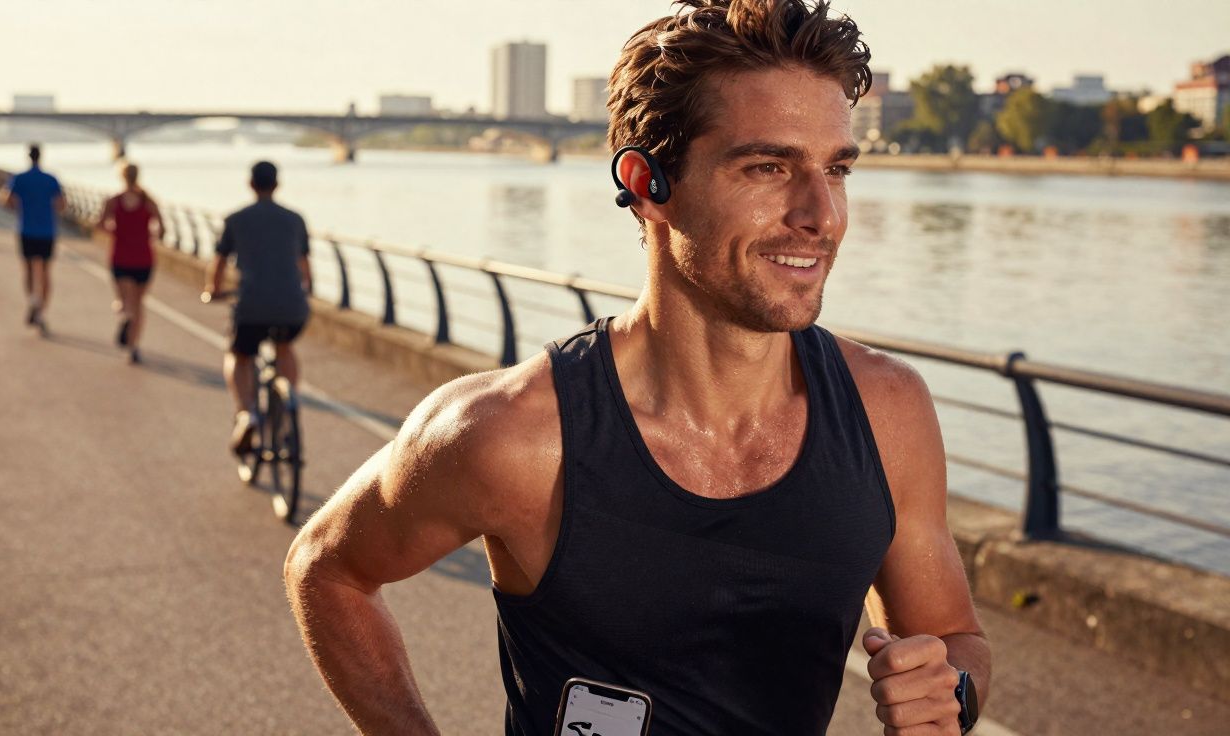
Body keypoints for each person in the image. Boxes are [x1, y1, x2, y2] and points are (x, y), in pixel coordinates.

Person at [284, 1, 991, 735]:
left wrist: (952, 691)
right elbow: (328, 569)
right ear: (648, 182)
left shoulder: (888, 412)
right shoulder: (513, 436)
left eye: (836, 170)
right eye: (768, 166)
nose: (822, 216)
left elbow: (954, 637)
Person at [203, 161, 311, 453]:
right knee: (285, 346)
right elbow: (305, 268)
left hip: (251, 304)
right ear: (277, 184)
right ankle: (288, 409)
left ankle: (246, 414)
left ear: (251, 184)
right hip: (292, 305)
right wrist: (305, 291)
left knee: (239, 356)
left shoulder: (236, 219)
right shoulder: (295, 219)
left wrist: (212, 290)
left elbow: (219, 263)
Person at [99, 163, 164, 364]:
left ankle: (124, 315)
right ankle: (134, 346)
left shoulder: (114, 201)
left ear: (122, 177)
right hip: (144, 257)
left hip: (120, 256)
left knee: (125, 298)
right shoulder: (148, 201)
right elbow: (162, 229)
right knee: (139, 303)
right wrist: (148, 235)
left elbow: (100, 224)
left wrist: (116, 232)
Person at [1, 144, 65, 334]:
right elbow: (62, 204)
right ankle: (41, 311)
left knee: (28, 269)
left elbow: (5, 200)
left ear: (28, 157)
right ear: (41, 157)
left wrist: (21, 207)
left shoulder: (19, 178)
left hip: (26, 229)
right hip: (47, 231)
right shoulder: (51, 179)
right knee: (45, 271)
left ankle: (32, 300)